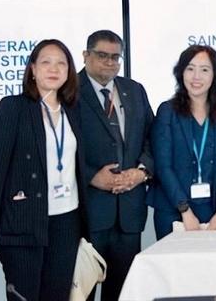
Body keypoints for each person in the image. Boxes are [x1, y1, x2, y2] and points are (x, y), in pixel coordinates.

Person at [0, 39, 88, 301]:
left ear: (69, 71)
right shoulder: (14, 107)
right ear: (33, 69)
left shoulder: (73, 110)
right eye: (46, 62)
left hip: (67, 220)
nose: (54, 69)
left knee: (58, 295)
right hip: (23, 221)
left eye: (61, 63)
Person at [77, 30, 154, 301]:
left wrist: (141, 172)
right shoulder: (69, 91)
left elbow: (152, 138)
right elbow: (58, 149)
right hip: (88, 212)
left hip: (128, 213)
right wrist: (90, 176)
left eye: (115, 57)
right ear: (85, 55)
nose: (110, 62)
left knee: (122, 293)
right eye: (102, 55)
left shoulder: (134, 90)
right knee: (81, 293)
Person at [148, 45, 216, 239]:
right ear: (181, 73)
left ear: (215, 75)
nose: (196, 77)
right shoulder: (167, 112)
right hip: (173, 210)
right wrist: (185, 210)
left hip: (214, 212)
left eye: (204, 70)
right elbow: (163, 167)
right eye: (190, 69)